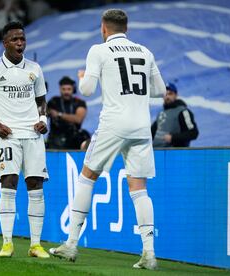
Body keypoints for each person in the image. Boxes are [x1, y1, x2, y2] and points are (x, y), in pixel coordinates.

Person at [49, 9, 166, 270]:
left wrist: (83, 78)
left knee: (87, 176)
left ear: (103, 28)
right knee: (139, 189)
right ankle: (149, 254)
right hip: (140, 127)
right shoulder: (145, 52)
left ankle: (70, 244)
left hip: (114, 123)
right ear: (127, 28)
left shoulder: (98, 51)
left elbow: (88, 90)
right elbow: (160, 90)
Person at [0, 21, 49, 259]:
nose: (20, 43)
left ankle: (36, 245)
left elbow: (41, 100)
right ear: (5, 43)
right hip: (7, 135)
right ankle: (7, 243)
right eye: (15, 40)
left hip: (33, 135)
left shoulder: (35, 69)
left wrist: (42, 119)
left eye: (23, 39)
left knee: (36, 186)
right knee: (8, 183)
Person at [47, 76, 89, 149]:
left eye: (69, 89)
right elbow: (45, 114)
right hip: (56, 137)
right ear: (60, 89)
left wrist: (59, 114)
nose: (66, 92)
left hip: (74, 137)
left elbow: (78, 119)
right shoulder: (54, 101)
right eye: (63, 89)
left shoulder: (79, 102)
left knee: (84, 135)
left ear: (73, 89)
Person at [151, 83, 199, 147]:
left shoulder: (183, 112)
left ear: (176, 95)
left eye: (170, 94)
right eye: (165, 94)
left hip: (175, 154)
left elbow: (193, 133)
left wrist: (173, 138)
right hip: (157, 153)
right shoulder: (161, 114)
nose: (167, 97)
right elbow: (150, 133)